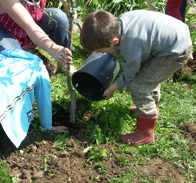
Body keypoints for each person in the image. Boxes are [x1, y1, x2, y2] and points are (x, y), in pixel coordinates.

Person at [80, 10, 192, 146]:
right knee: (149, 76)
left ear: (115, 41)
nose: (99, 53)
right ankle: (150, 107)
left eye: (100, 50)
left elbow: (131, 72)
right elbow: (127, 49)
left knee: (140, 86)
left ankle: (146, 132)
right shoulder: (118, 23)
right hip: (172, 37)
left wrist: (113, 88)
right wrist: (113, 49)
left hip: (174, 52)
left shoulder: (131, 42)